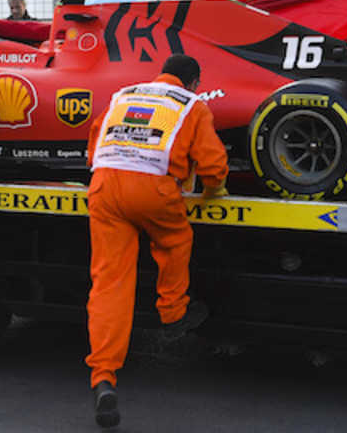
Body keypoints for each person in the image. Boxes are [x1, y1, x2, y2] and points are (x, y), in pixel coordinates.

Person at [82, 54, 228, 428]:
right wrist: (213, 188)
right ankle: (174, 313)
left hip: (104, 187)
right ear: (193, 82)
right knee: (175, 241)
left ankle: (103, 375)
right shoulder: (192, 105)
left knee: (109, 284)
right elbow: (212, 166)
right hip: (153, 190)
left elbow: (93, 146)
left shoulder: (124, 95)